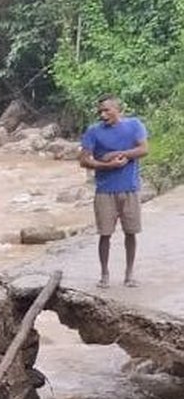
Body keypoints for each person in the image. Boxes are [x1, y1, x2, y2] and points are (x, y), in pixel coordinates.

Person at [80, 95, 148, 288]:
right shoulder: (93, 131)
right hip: (104, 190)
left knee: (131, 232)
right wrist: (106, 165)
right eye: (100, 111)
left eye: (107, 110)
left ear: (119, 110)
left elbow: (144, 149)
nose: (103, 115)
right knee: (105, 234)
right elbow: (84, 160)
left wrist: (120, 155)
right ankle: (104, 274)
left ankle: (129, 274)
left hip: (130, 188)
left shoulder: (134, 125)